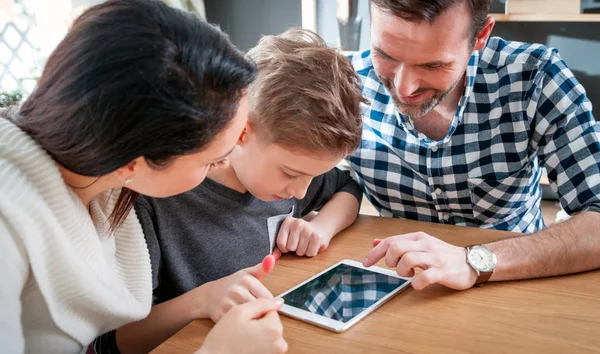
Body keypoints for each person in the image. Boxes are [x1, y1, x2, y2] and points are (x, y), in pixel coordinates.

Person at [0, 0, 287, 353]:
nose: (225, 168)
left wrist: (201, 300)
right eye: (212, 161)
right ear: (131, 161)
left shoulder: (97, 186)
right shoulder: (8, 221)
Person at [113, 28, 365, 353]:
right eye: (292, 174)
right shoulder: (158, 197)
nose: (302, 193)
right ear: (242, 131)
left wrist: (321, 227)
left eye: (314, 176)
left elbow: (348, 187)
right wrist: (200, 301)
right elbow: (113, 341)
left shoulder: (291, 166)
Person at [346, 0, 600, 290]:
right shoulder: (348, 84)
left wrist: (474, 261)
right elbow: (331, 182)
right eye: (385, 55)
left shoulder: (534, 77)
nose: (404, 88)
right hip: (401, 286)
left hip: (514, 285)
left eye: (433, 65)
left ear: (480, 36)